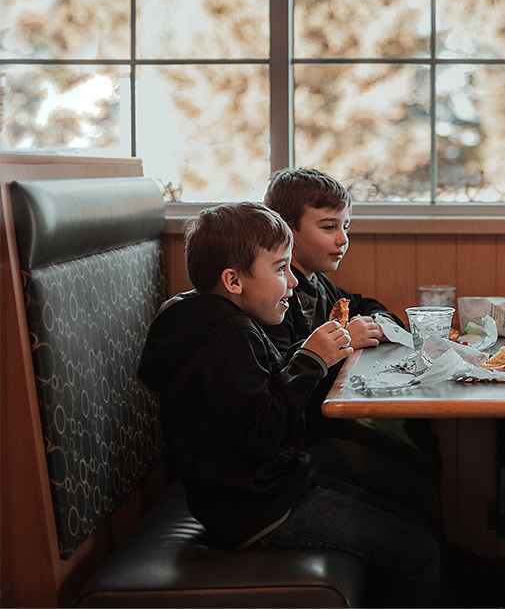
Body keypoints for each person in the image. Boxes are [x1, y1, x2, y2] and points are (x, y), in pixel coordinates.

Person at [138, 202, 441, 606]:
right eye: (281, 270)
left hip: (275, 486)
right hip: (256, 511)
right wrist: (311, 361)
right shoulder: (228, 337)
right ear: (233, 281)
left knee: (413, 517)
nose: (293, 283)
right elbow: (264, 437)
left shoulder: (218, 323)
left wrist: (307, 358)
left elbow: (263, 408)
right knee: (417, 551)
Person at [261, 169, 444, 534]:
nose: (343, 239)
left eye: (346, 227)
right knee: (419, 489)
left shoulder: (316, 280)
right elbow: (282, 377)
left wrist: (376, 321)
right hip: (304, 439)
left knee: (427, 462)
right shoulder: (278, 296)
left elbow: (363, 303)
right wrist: (344, 340)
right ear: (286, 230)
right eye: (329, 227)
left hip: (324, 426)